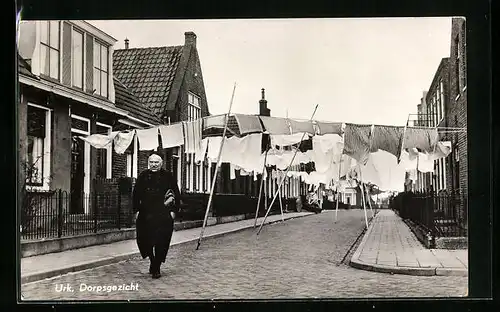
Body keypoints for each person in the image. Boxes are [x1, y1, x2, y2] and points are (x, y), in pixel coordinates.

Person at [132, 153, 181, 279]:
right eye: (151, 162)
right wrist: (136, 210)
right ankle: (152, 260)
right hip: (145, 214)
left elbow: (176, 193)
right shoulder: (143, 176)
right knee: (144, 240)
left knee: (161, 241)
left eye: (156, 162)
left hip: (163, 214)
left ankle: (156, 266)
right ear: (148, 163)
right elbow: (136, 194)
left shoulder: (168, 176)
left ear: (161, 163)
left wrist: (173, 211)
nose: (153, 164)